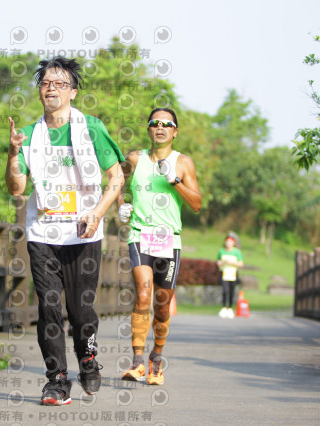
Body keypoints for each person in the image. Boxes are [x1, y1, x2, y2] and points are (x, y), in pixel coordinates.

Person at [4, 56, 125, 405]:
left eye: (59, 83)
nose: (51, 88)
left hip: (83, 233)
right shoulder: (26, 135)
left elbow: (116, 177)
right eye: (45, 83)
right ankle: (56, 380)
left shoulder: (92, 128)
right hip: (43, 233)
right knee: (50, 306)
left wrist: (98, 213)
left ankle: (88, 359)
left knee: (81, 309)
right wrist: (13, 153)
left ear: (72, 91)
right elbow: (16, 188)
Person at [118, 107, 201, 385]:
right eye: (155, 123)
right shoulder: (135, 158)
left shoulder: (183, 163)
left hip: (169, 240)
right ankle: (137, 362)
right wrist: (122, 205)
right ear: (149, 129)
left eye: (167, 124)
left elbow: (197, 204)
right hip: (140, 235)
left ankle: (156, 359)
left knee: (162, 306)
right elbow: (116, 182)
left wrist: (174, 181)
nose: (160, 127)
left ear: (175, 131)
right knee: (143, 293)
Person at [216, 235, 244, 319]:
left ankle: (230, 308)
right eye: (227, 242)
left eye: (230, 242)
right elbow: (218, 261)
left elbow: (241, 264)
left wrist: (231, 262)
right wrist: (221, 263)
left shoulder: (237, 252)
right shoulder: (221, 251)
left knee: (232, 291)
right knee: (225, 291)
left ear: (233, 243)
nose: (228, 243)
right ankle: (224, 307)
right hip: (224, 273)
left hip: (233, 274)